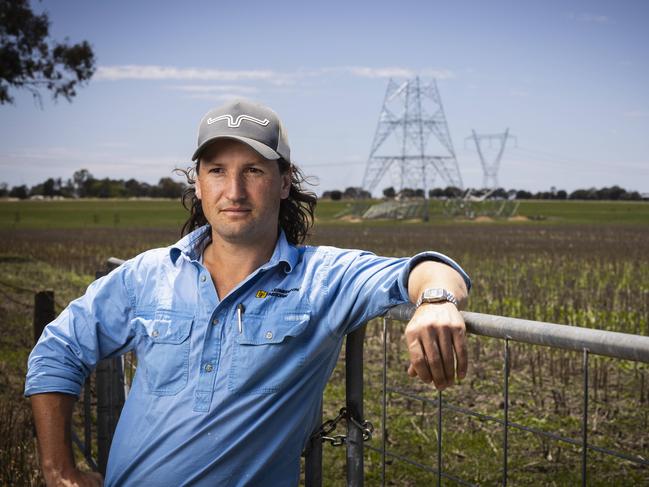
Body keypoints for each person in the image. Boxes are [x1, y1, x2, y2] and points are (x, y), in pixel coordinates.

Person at [25, 99, 472, 486]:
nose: (233, 191)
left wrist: (436, 300)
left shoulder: (322, 278)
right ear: (198, 184)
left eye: (253, 171)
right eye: (217, 171)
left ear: (282, 182)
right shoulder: (149, 275)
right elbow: (59, 347)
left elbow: (429, 268)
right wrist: (58, 470)